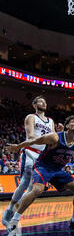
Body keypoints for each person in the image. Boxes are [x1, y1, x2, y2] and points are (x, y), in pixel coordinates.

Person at [5, 115, 74, 232]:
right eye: (73, 122)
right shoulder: (55, 138)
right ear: (67, 126)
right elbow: (34, 140)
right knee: (37, 190)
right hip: (43, 167)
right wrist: (18, 146)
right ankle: (14, 220)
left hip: (58, 170)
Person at [2, 95, 63, 227]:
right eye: (41, 101)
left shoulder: (51, 121)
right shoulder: (31, 117)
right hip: (30, 151)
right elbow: (30, 136)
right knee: (25, 182)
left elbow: (52, 141)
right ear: (34, 105)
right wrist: (48, 138)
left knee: (32, 189)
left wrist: (58, 135)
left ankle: (14, 212)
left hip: (42, 156)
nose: (44, 103)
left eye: (45, 101)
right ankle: (9, 210)